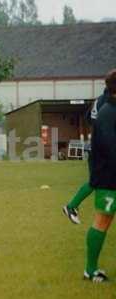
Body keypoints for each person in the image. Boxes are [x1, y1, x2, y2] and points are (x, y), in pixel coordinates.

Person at [82, 69, 116, 282]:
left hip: (109, 174)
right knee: (102, 220)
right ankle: (90, 269)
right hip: (109, 176)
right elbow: (109, 148)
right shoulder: (107, 112)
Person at [63, 87, 112, 224]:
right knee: (96, 182)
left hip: (98, 146)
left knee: (98, 181)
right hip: (104, 148)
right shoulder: (109, 102)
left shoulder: (99, 100)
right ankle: (71, 206)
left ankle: (72, 206)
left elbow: (88, 118)